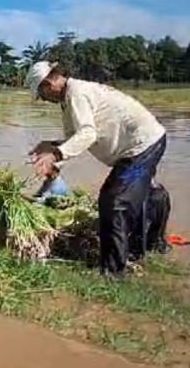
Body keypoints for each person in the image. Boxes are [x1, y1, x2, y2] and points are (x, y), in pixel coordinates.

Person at [26, 61, 171, 275]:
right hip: (143, 143)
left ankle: (113, 272)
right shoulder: (69, 99)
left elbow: (88, 135)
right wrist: (53, 148)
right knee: (142, 192)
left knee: (114, 201)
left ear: (48, 84)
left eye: (42, 94)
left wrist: (55, 153)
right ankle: (152, 245)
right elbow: (75, 140)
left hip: (142, 146)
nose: (45, 100)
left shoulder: (76, 94)